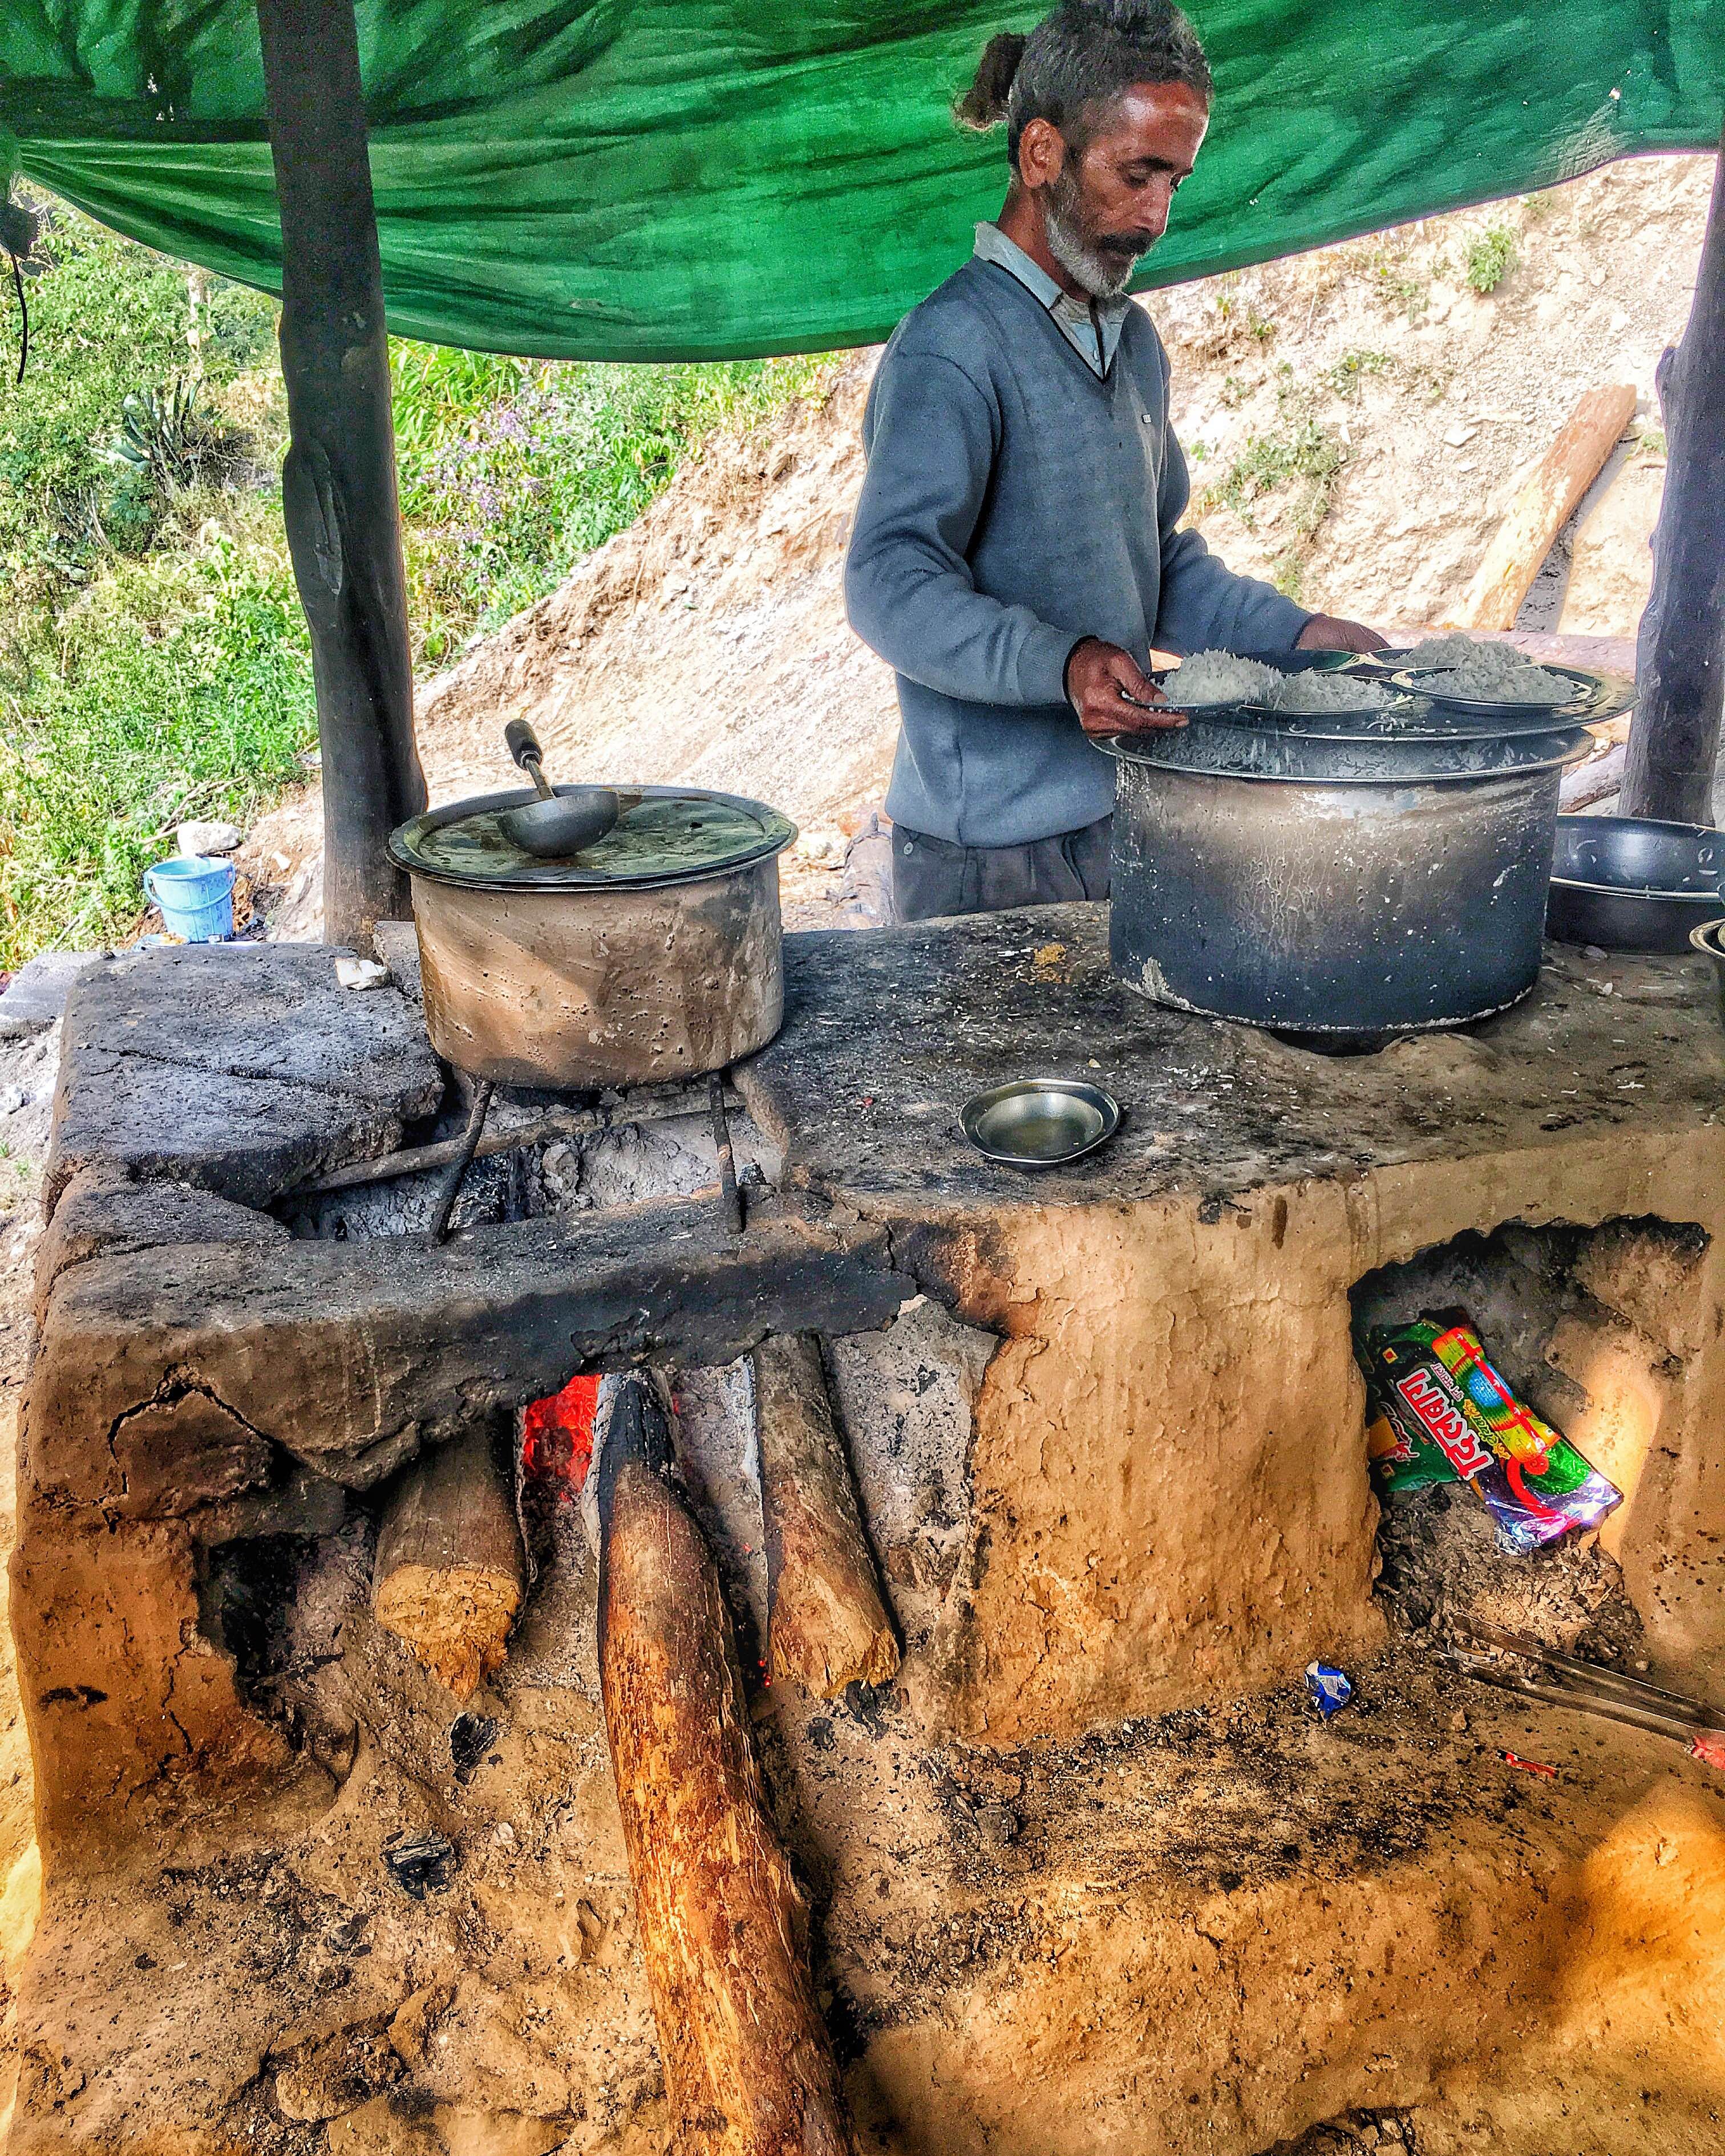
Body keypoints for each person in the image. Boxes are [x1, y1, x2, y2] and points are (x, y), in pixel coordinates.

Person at [844, 0, 1385, 922]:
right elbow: (889, 582)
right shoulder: (953, 348)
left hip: (1126, 812)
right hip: (991, 858)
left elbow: (1152, 563)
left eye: (1176, 180)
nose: (1157, 216)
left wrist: (1292, 637)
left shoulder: (1130, 345)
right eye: (1137, 175)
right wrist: (1062, 667)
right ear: (1042, 154)